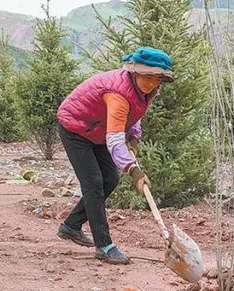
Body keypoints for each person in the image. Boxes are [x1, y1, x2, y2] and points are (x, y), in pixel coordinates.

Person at [55, 46, 175, 264]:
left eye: (156, 78)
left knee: (110, 178)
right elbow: (114, 139)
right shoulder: (118, 93)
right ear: (135, 72)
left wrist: (135, 137)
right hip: (76, 128)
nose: (150, 83)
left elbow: (135, 112)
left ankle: (71, 226)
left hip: (97, 130)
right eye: (146, 76)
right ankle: (104, 246)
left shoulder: (146, 91)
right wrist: (134, 170)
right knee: (93, 182)